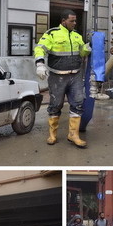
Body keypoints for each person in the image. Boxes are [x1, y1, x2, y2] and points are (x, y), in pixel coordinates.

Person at [34, 10, 91, 148]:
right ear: (63, 20)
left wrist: (86, 49)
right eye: (72, 21)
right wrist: (40, 64)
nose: (74, 23)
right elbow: (40, 48)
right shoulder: (51, 34)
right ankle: (52, 135)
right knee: (55, 105)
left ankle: (73, 135)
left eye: (75, 21)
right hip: (57, 77)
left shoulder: (77, 36)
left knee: (78, 103)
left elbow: (82, 53)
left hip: (75, 76)